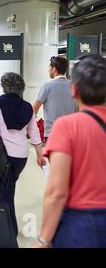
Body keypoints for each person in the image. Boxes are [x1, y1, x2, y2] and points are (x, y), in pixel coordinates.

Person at [36, 55, 106, 248]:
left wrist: (44, 239)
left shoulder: (66, 126)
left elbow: (57, 192)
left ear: (74, 90)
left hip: (82, 225)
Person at [0, 72, 45, 237]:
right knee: (7, 191)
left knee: (6, 193)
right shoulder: (28, 107)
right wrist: (39, 155)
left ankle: (9, 231)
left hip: (0, 157)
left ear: (4, 86)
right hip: (20, 157)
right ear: (21, 87)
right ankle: (4, 226)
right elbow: (34, 132)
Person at [33, 56, 77, 142]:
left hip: (52, 134)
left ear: (54, 69)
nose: (48, 69)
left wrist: (31, 124)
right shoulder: (74, 86)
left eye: (49, 67)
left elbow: (35, 107)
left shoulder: (47, 86)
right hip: (71, 133)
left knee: (54, 156)